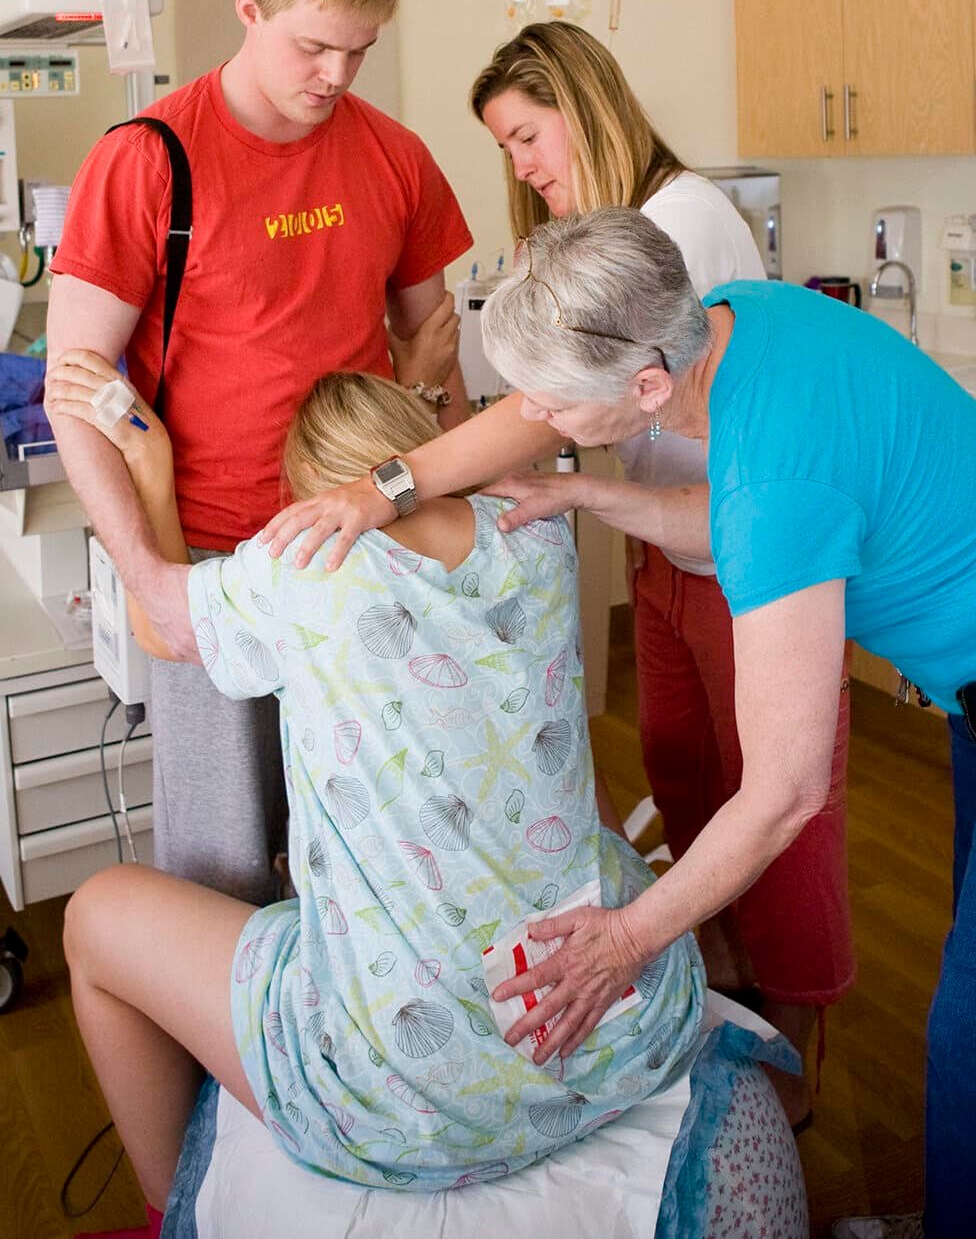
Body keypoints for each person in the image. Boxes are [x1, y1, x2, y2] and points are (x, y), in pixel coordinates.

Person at [47, 350, 806, 1238]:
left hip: (403, 1099)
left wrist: (149, 466)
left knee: (94, 919)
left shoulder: (297, 571)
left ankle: (168, 1207)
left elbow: (161, 623)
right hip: (615, 1036)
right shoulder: (537, 535)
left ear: (308, 492)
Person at [462, 207, 976, 1239]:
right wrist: (589, 494)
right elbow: (749, 524)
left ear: (643, 390)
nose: (528, 409)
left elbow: (781, 793)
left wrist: (624, 941)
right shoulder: (744, 320)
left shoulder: (776, 474)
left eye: (547, 396)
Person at [44, 0, 473, 909]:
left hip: (370, 550)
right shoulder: (148, 160)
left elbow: (433, 351)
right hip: (214, 565)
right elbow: (79, 396)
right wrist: (149, 577)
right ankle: (231, 1065)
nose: (336, 75)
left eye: (359, 52)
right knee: (225, 869)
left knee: (381, 855)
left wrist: (461, 508)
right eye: (314, 46)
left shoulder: (392, 156)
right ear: (247, 8)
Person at [469, 22, 854, 1122]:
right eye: (504, 148)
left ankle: (794, 1065)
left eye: (527, 135)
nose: (522, 166)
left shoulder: (679, 225)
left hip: (747, 560)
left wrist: (395, 485)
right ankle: (726, 1004)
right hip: (668, 544)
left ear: (583, 108)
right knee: (684, 779)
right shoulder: (617, 231)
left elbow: (551, 406)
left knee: (776, 812)